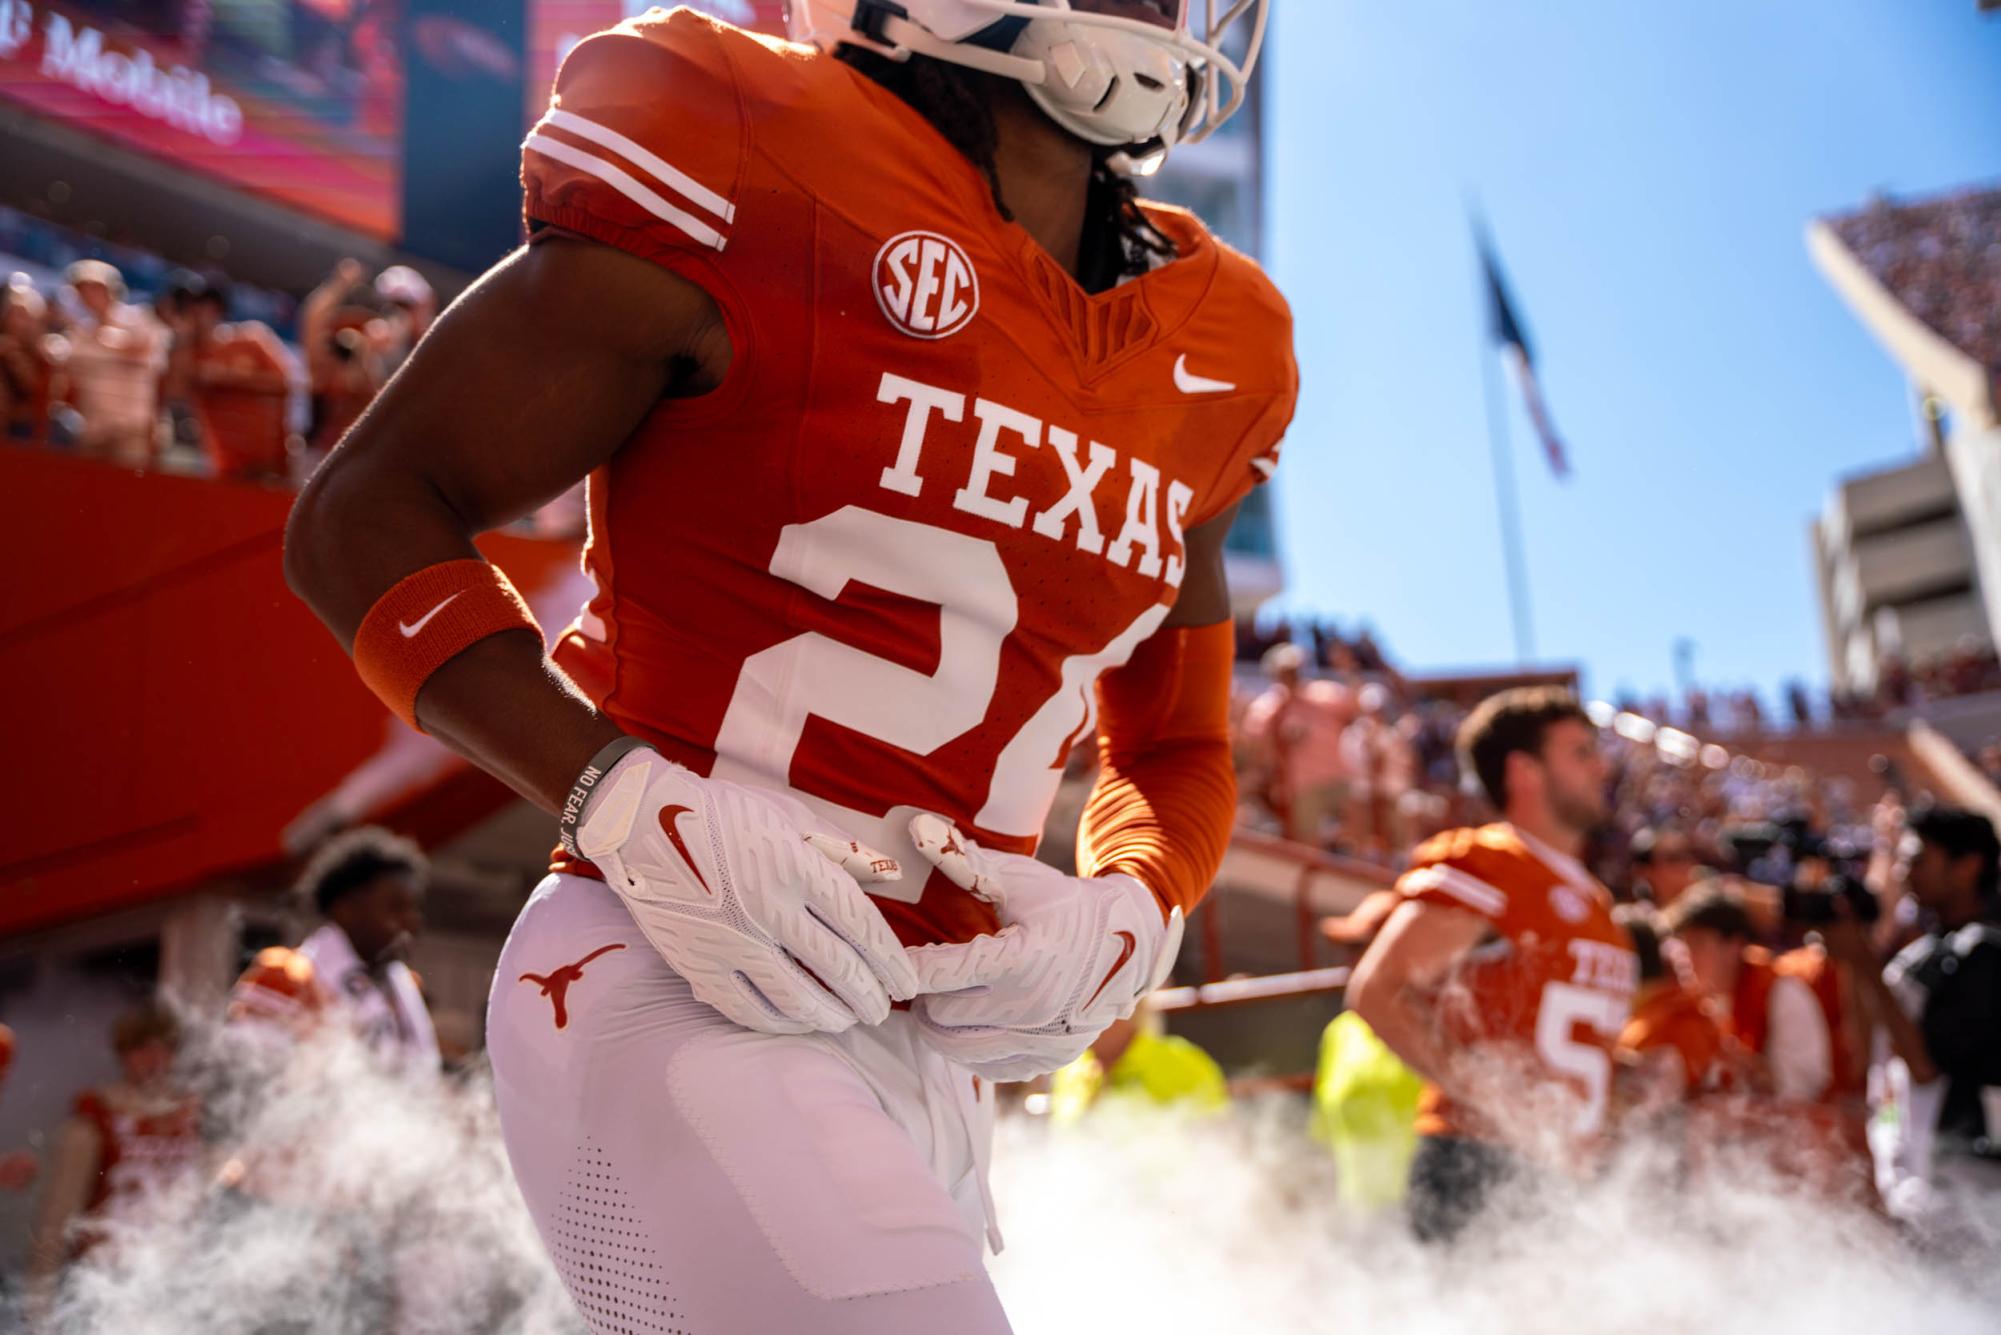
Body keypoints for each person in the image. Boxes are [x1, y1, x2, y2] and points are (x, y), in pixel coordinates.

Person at [283, 3, 1286, 1329]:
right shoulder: (753, 139)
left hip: (933, 1057)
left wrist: (1138, 902)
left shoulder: (1221, 336)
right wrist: (620, 796)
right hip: (669, 972)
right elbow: (364, 513)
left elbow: (1174, 749)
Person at [1346, 688, 1637, 1243]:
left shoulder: (1593, 898)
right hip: (1480, 1161)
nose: (1601, 766)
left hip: (1563, 1171)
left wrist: (1632, 1072)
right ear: (1524, 771)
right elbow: (1378, 990)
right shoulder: (1492, 864)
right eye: (1580, 752)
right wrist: (1489, 1095)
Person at [1851, 804, 2001, 1238]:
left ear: (1968, 866)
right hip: (1912, 1169)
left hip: (1970, 1185)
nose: (1903, 872)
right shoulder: (1926, 949)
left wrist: (1863, 964)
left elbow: (1925, 1065)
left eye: (1918, 860)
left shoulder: (1987, 954)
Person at [26, 1005, 202, 1310]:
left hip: (175, 1276)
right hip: (106, 1275)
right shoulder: (99, 1115)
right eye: (143, 1049)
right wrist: (41, 1299)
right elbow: (59, 1210)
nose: (154, 1060)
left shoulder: (195, 1117)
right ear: (124, 1054)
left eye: (165, 1049)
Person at [231, 827, 438, 1074]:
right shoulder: (285, 979)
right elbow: (244, 1081)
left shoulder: (404, 987)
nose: (412, 922)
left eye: (413, 909)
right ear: (346, 909)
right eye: (396, 907)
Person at [167, 274, 294, 482]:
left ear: (217, 308)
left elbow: (285, 383)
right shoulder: (187, 354)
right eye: (189, 308)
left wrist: (228, 378)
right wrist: (183, 339)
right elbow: (174, 394)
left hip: (270, 459)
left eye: (202, 305)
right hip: (223, 463)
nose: (196, 313)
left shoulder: (252, 338)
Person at [1240, 641, 1355, 847]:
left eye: (1295, 670)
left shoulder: (1324, 693)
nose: (1292, 675)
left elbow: (1355, 707)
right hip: (1300, 785)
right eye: (1285, 671)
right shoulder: (1268, 707)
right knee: (1308, 841)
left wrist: (1348, 670)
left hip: (1338, 777)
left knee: (1356, 825)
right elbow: (1254, 742)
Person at [58, 260, 166, 465]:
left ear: (109, 289)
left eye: (93, 288)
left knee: (127, 491)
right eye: (82, 289)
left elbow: (144, 351)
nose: (87, 295)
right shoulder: (78, 331)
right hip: (92, 428)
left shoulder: (139, 318)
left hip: (131, 429)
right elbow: (66, 367)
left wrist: (101, 338)